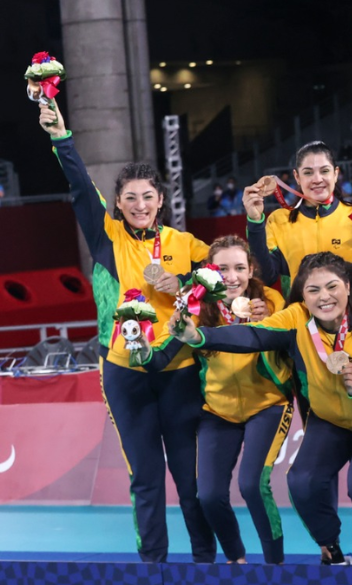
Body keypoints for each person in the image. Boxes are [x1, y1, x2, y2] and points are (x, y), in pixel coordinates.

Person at [38, 101, 215, 562]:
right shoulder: (107, 238)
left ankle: (205, 560)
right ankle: (153, 563)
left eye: (148, 196)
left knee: (190, 478)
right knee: (146, 476)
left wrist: (185, 283)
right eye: (130, 198)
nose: (140, 205)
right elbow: (79, 186)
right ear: (118, 203)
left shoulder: (185, 245)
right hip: (125, 374)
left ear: (162, 200)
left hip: (177, 372)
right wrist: (61, 136)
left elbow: (227, 282)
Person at [172, 252, 352, 565]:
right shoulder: (296, 318)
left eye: (332, 287)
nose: (324, 297)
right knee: (302, 482)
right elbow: (253, 335)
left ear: (349, 286)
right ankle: (332, 551)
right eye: (313, 290)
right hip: (331, 421)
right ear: (303, 295)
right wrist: (199, 336)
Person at [143, 236, 292, 564]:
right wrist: (143, 348)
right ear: (209, 272)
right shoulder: (197, 306)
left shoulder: (270, 301)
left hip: (268, 404)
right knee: (208, 496)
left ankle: (274, 565)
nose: (232, 276)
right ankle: (236, 561)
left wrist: (263, 320)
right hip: (218, 411)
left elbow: (278, 339)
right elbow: (162, 355)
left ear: (251, 270)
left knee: (252, 485)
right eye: (222, 268)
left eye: (240, 267)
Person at [242, 141, 352, 299]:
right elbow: (265, 278)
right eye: (308, 173)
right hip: (298, 321)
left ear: (335, 174)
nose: (317, 179)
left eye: (324, 171)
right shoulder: (279, 221)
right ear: (297, 177)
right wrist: (255, 222)